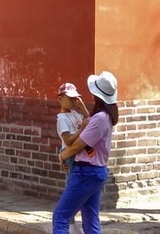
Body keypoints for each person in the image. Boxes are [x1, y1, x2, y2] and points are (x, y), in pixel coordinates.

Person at [53, 71, 118, 234]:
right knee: (90, 219)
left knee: (60, 216)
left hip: (86, 171)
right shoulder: (105, 117)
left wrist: (62, 155)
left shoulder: (99, 118)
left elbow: (76, 146)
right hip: (96, 171)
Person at [57, 81, 89, 171]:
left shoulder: (74, 113)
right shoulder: (62, 119)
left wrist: (82, 105)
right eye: (70, 98)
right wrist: (82, 129)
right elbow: (68, 141)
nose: (74, 101)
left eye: (75, 98)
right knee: (72, 176)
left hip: (79, 149)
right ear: (60, 99)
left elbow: (88, 119)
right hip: (70, 152)